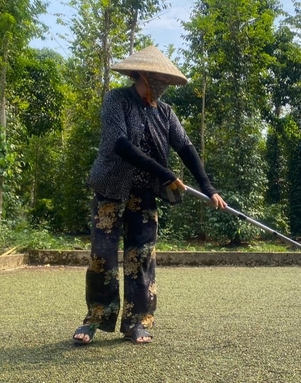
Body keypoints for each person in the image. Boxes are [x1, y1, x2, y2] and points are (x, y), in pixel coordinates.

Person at [72, 45, 226, 345]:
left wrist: (209, 188)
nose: (162, 86)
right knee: (102, 255)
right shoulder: (117, 100)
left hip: (143, 194)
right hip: (110, 189)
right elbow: (120, 144)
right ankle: (95, 317)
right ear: (142, 74)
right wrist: (165, 173)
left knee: (141, 256)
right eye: (158, 79)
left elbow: (186, 148)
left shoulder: (165, 113)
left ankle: (137, 322)